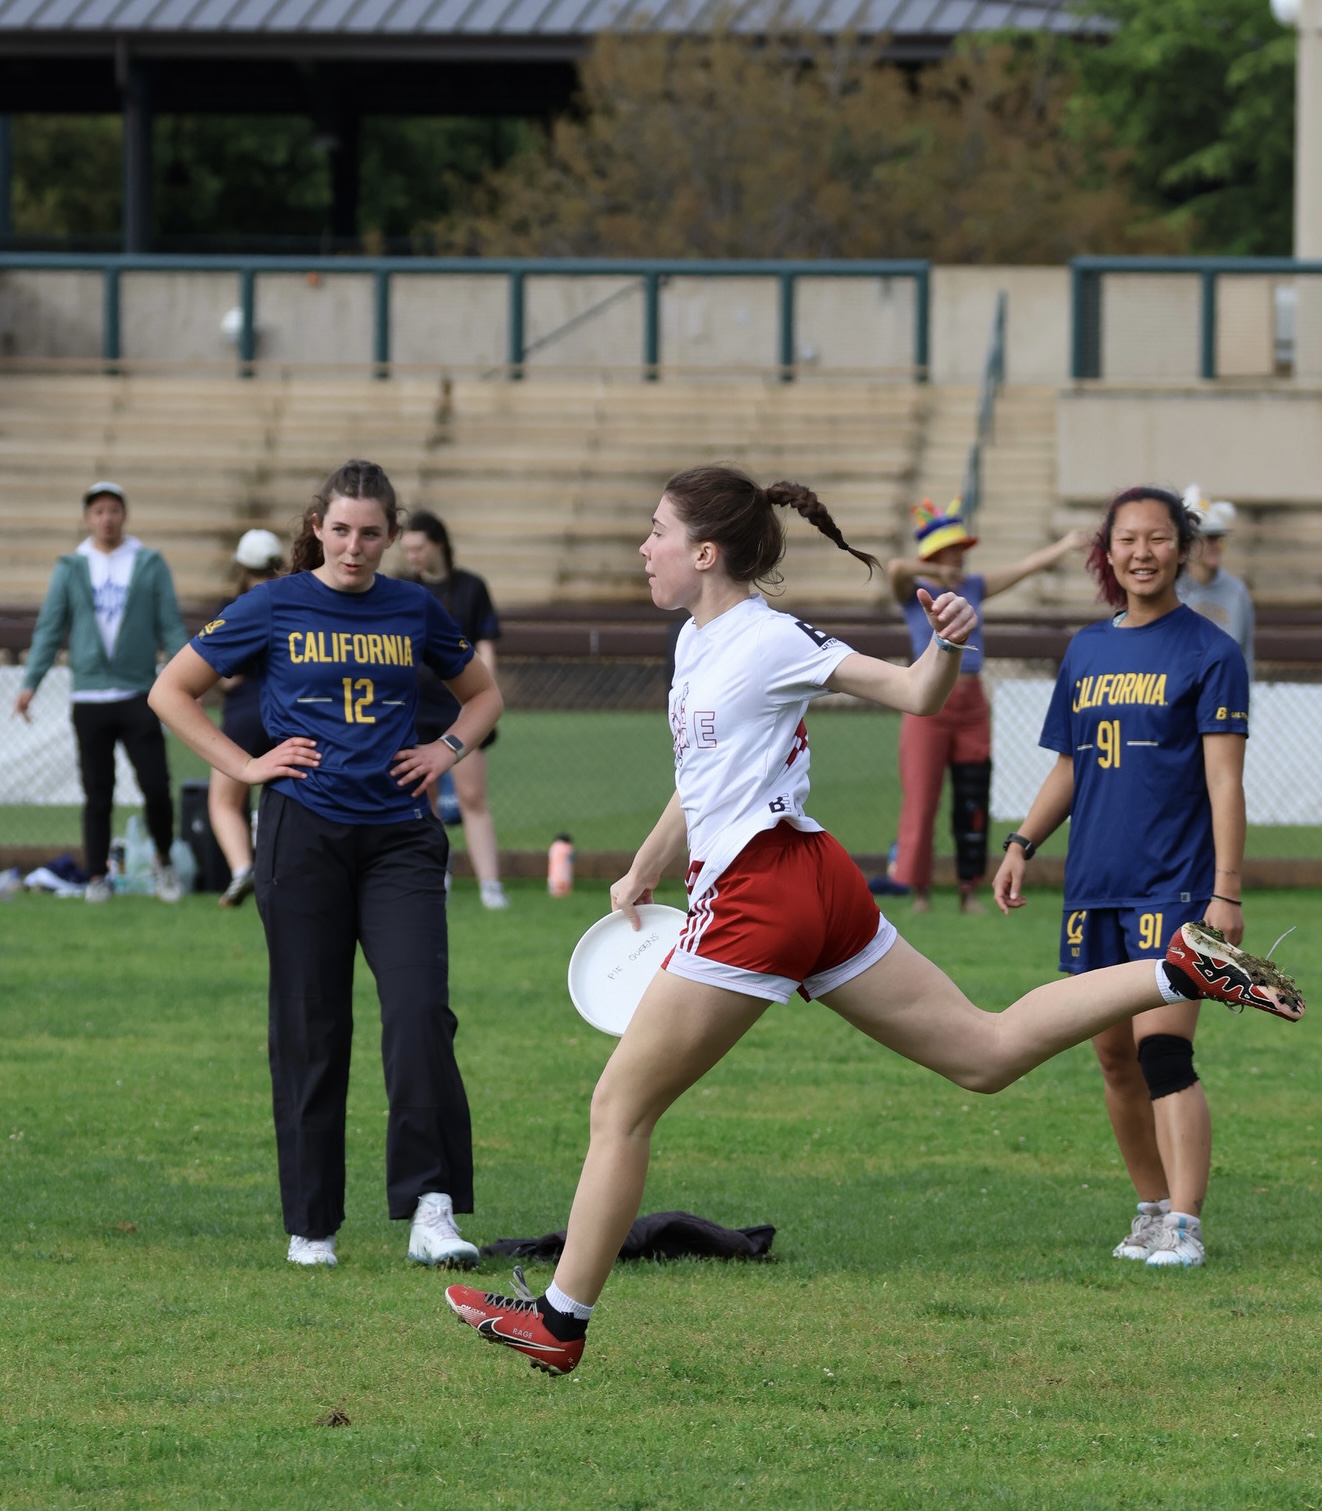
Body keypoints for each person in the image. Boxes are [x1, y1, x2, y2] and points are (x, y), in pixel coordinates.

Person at [444, 465, 1301, 1376]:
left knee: (618, 1104)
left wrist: (946, 647)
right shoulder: (694, 642)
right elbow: (705, 775)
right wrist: (651, 861)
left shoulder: (770, 639)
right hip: (813, 881)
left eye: (656, 531)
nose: (642, 547)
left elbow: (913, 694)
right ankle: (1177, 969)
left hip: (763, 893)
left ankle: (559, 1319)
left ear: (704, 552)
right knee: (984, 1053)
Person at [148, 460, 503, 1270]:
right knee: (310, 1026)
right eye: (340, 529)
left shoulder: (414, 606)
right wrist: (242, 767)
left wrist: (444, 749)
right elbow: (172, 691)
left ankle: (432, 1208)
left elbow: (482, 695)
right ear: (317, 526)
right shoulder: (272, 604)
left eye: (371, 532)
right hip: (302, 834)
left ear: (390, 535)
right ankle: (312, 1223)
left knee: (419, 1012)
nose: (354, 546)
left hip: (400, 839)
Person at [992, 485, 1256, 1270]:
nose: (1141, 552)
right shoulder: (1086, 651)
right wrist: (1022, 842)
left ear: (1183, 546)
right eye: (1126, 540)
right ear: (1106, 553)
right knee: (1112, 1057)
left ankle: (1185, 1222)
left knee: (1162, 1055)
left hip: (1174, 885)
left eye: (1157, 538)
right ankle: (1148, 1209)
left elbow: (1225, 784)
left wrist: (1228, 890)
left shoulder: (1211, 652)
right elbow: (1071, 766)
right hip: (1095, 886)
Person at [885, 498, 1089, 914]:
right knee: (922, 801)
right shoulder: (915, 592)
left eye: (961, 550)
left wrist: (1066, 544)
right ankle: (920, 892)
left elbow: (1024, 568)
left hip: (972, 704)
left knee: (973, 798)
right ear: (935, 555)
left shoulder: (973, 587)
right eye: (950, 550)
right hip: (927, 705)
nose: (958, 557)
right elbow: (893, 569)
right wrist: (934, 573)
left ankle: (968, 890)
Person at [11, 480, 188, 904]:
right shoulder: (72, 566)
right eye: (98, 511)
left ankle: (164, 862)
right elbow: (50, 628)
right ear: (88, 518)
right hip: (89, 695)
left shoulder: (148, 563)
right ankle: (96, 877)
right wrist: (30, 683)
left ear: (123, 514)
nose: (106, 518)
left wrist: (188, 680)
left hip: (139, 693)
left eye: (113, 509)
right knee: (97, 792)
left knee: (156, 785)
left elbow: (171, 626)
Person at [400, 511, 509, 910]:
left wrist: (482, 696)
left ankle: (490, 885)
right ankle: (436, 875)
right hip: (413, 710)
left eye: (418, 547)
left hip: (458, 709)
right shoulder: (403, 590)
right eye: (407, 548)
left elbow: (485, 644)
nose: (411, 555)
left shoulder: (470, 587)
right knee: (422, 801)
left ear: (438, 544)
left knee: (471, 795)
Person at [209, 528, 284, 908]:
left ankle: (242, 869)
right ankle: (283, 871)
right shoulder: (290, 601)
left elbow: (227, 674)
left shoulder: (232, 607)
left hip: (241, 714)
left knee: (224, 801)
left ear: (241, 565)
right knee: (286, 796)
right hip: (284, 714)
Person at [1177, 486, 1255, 667]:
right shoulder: (1170, 590)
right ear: (1189, 543)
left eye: (1219, 538)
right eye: (1209, 538)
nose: (1217, 545)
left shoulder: (1237, 592)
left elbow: (1245, 654)